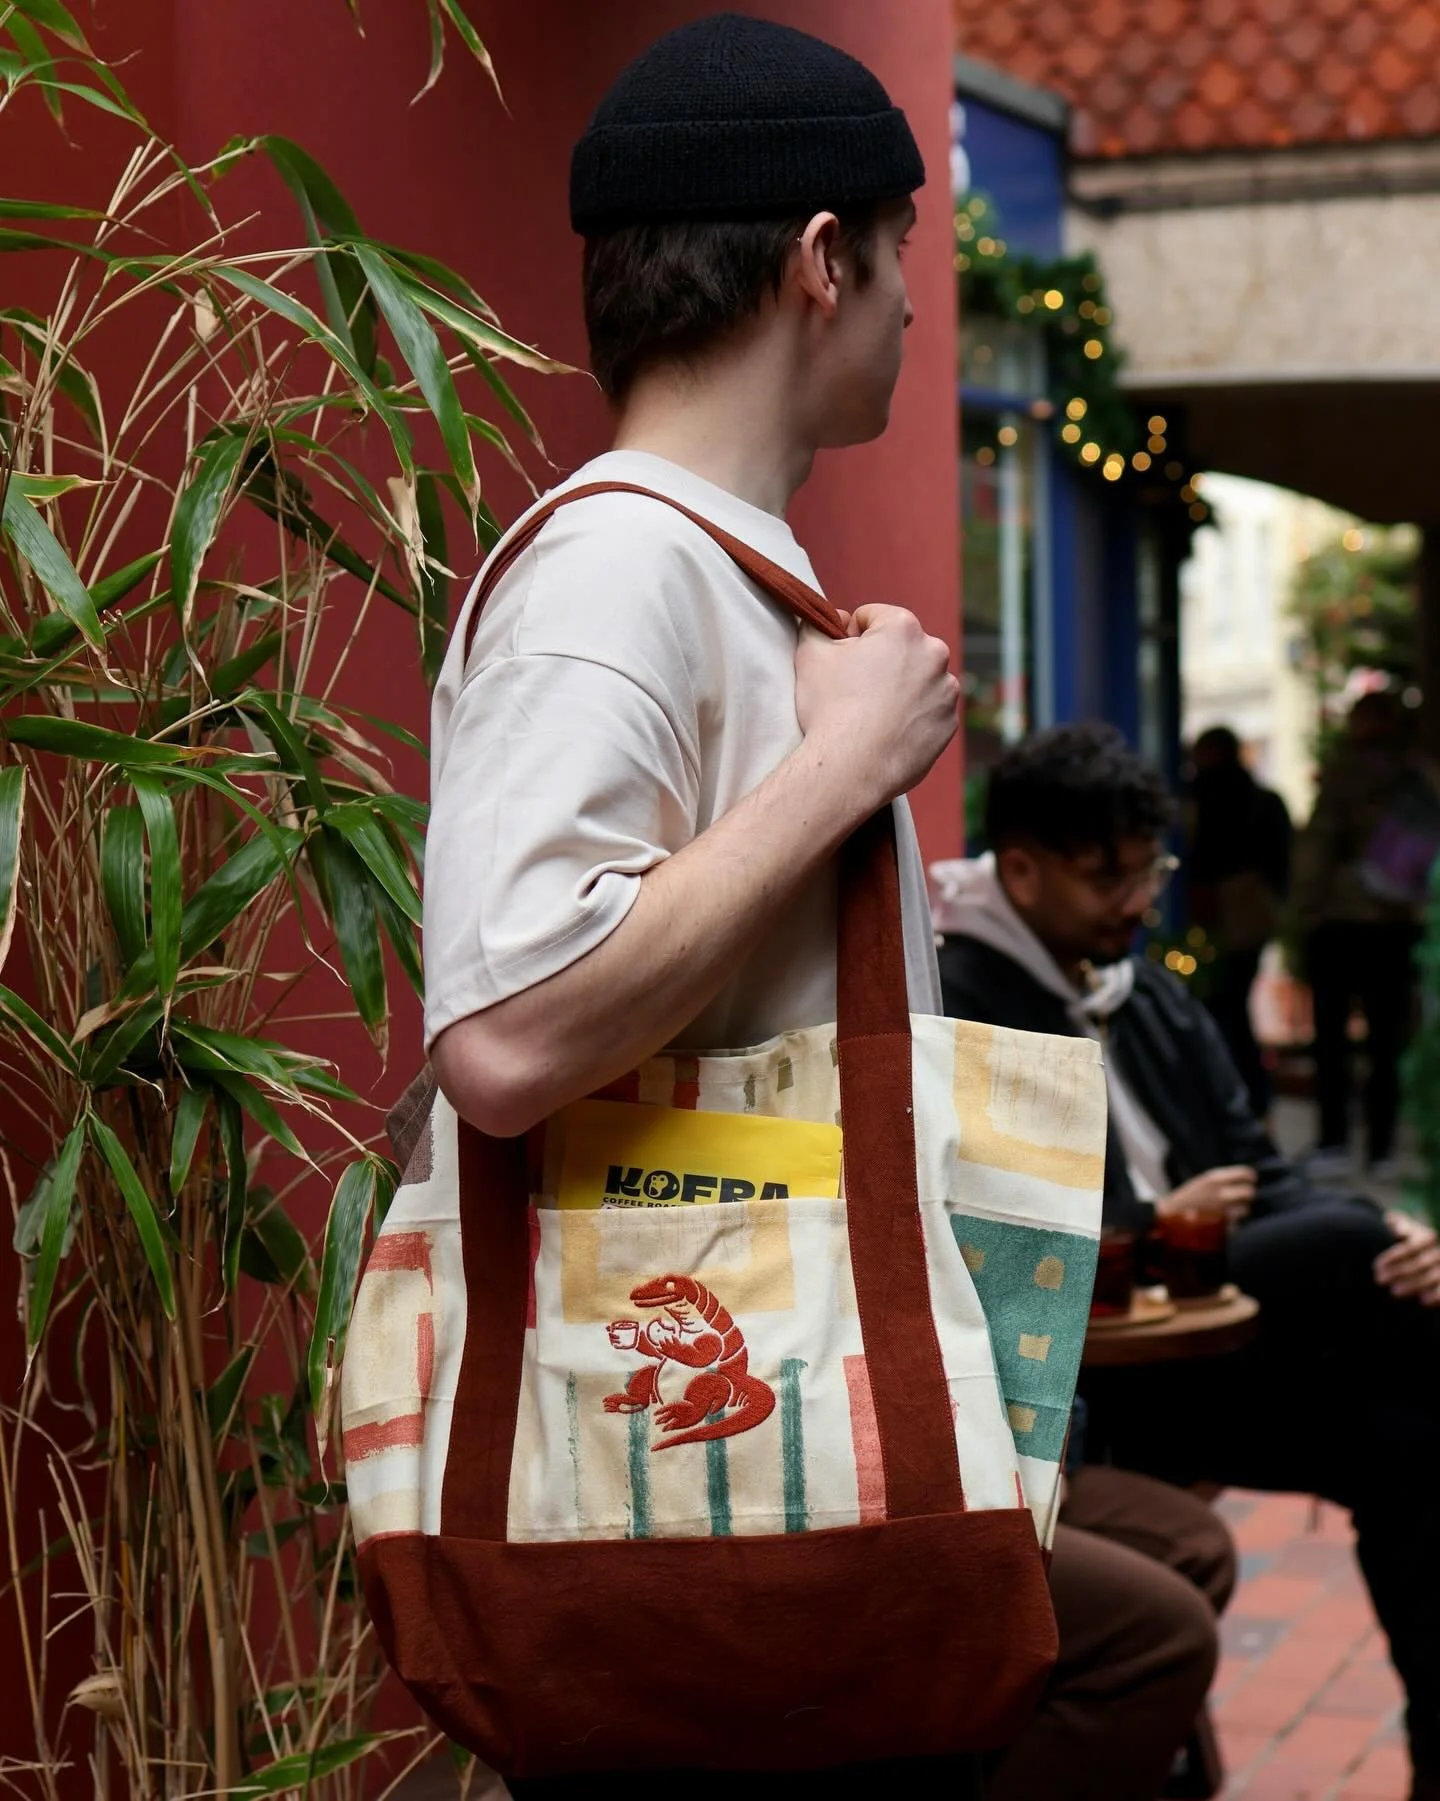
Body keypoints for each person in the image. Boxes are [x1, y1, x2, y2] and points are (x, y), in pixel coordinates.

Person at [421, 17, 1227, 1798]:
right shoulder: (615, 571)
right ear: (818, 260)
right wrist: (844, 768)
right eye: (904, 251)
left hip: (732, 1441)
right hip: (692, 1470)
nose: (917, 304)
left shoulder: (705, 568)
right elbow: (508, 1035)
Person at [934, 722, 1440, 1801]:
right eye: (1107, 876)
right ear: (1019, 869)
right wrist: (1158, 1223)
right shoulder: (956, 1001)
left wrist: (1401, 1241)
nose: (1138, 902)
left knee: (1409, 1434)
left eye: (1149, 871)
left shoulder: (1145, 986)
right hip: (1085, 1379)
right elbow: (980, 1233)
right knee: (1354, 1249)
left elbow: (1263, 1167)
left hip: (1199, 1349)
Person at [1294, 691, 1436, 1179]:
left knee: (1332, 1040)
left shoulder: (1346, 774)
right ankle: (1382, 1148)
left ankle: (1335, 1141)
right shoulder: (1414, 773)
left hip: (1342, 921)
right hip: (1398, 923)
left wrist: (1306, 910)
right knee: (1386, 1043)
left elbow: (1316, 848)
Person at [1186, 725, 1292, 1116]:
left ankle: (1229, 1095)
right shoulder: (1263, 800)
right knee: (1232, 1007)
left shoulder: (1199, 799)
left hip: (1216, 920)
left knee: (1218, 1008)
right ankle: (1249, 1096)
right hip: (1248, 920)